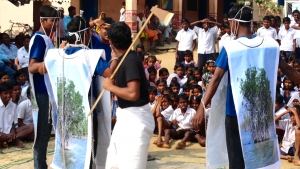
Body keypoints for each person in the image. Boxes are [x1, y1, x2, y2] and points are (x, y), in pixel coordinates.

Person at [193, 3, 300, 169]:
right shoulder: (270, 45)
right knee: (259, 160)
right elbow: (287, 69)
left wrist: (201, 106)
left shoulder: (230, 48)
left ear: (234, 23)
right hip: (260, 115)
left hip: (235, 115)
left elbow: (216, 78)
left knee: (237, 161)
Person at [103, 22, 154, 169]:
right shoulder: (123, 59)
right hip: (126, 117)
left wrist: (111, 87)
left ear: (111, 41)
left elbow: (133, 93)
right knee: (114, 164)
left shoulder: (130, 60)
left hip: (136, 120)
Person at [28, 5, 59, 168]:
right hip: (42, 92)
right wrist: (52, 61)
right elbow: (32, 67)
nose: (54, 24)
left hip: (47, 91)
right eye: (52, 21)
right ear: (43, 21)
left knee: (46, 133)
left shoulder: (46, 38)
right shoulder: (39, 39)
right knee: (42, 133)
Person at [0, 82, 33, 148]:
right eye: (5, 93)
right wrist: (4, 134)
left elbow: (12, 123)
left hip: (9, 132)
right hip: (1, 133)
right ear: (0, 94)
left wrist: (12, 133)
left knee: (31, 127)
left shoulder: (13, 105)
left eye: (10, 93)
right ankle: (13, 140)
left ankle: (11, 139)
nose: (8, 95)